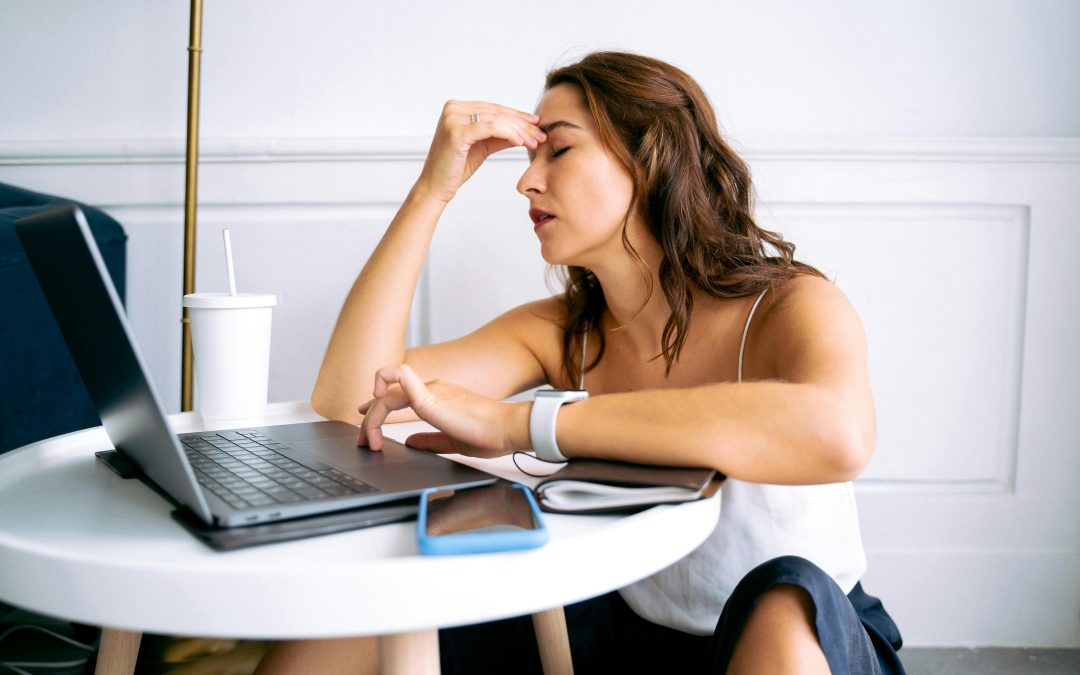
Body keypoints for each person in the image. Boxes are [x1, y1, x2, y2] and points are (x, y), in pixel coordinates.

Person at [254, 51, 905, 675]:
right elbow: (347, 399)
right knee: (383, 613)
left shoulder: (789, 304)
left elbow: (837, 433)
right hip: (629, 638)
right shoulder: (565, 331)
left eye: (558, 149)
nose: (525, 179)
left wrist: (521, 424)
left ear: (649, 157)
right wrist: (431, 190)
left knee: (779, 601)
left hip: (807, 638)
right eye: (531, 155)